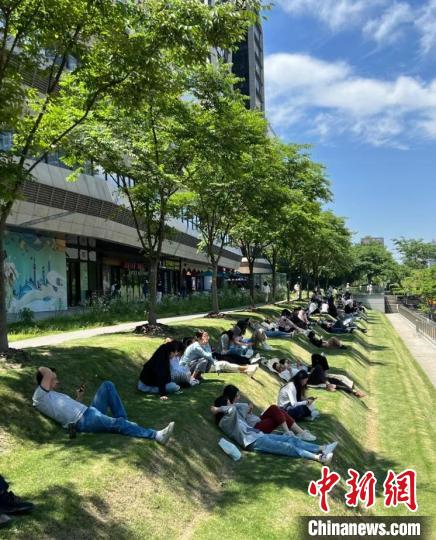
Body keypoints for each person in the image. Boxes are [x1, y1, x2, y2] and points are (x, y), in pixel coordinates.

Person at [33, 367, 174, 444]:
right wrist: (50, 373)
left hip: (87, 412)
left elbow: (70, 409)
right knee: (116, 424)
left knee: (107, 385)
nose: (57, 381)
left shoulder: (57, 395)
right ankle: (156, 435)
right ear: (45, 381)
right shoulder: (40, 396)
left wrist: (79, 397)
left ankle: (123, 421)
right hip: (82, 421)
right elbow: (43, 369)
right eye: (54, 378)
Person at [211, 395, 337, 464]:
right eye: (229, 402)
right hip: (251, 442)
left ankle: (321, 448)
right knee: (287, 447)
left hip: (258, 435)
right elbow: (231, 409)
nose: (232, 404)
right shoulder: (224, 422)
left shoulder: (234, 414)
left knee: (289, 439)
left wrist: (230, 405)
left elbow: (243, 406)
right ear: (224, 406)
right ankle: (319, 458)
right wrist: (218, 409)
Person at [221, 385, 316, 441]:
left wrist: (249, 410)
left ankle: (299, 433)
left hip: (258, 421)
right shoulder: (231, 408)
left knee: (276, 409)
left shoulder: (235, 405)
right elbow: (240, 419)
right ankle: (293, 433)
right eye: (237, 396)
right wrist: (247, 408)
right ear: (231, 396)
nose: (239, 397)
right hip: (255, 427)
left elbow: (244, 415)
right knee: (277, 410)